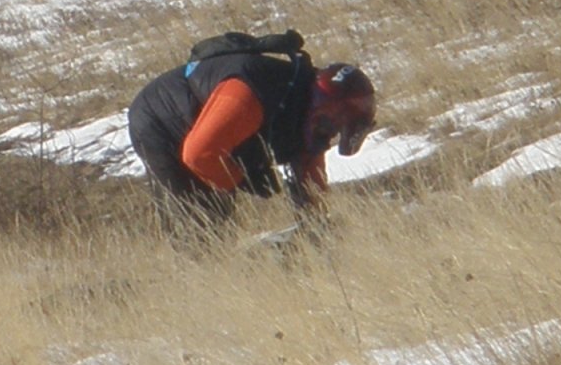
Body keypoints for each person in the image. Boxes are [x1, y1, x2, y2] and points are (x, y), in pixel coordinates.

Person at [127, 30, 377, 229]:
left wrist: (316, 223)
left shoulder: (307, 107)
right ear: (325, 108)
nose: (330, 134)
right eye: (334, 126)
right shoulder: (250, 95)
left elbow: (308, 164)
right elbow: (199, 155)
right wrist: (244, 192)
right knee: (201, 222)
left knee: (220, 209)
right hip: (160, 121)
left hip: (213, 128)